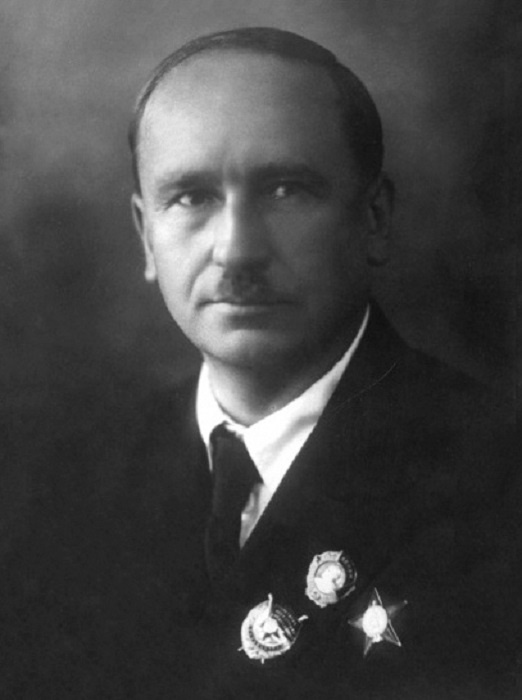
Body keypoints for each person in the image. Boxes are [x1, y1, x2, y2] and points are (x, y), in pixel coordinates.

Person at [0, 27, 518, 700]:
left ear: (373, 219)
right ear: (146, 236)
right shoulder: (58, 489)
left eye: (285, 190)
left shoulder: (497, 474)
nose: (237, 250)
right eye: (192, 197)